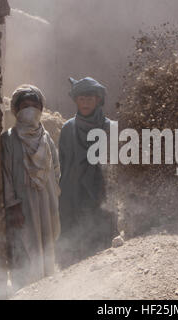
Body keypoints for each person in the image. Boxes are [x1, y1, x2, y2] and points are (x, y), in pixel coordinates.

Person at [1, 84, 61, 291]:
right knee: (23, 245)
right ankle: (25, 290)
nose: (30, 109)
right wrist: (13, 205)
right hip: (22, 204)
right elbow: (5, 175)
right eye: (25, 105)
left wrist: (53, 195)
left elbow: (56, 170)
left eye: (35, 106)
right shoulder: (8, 139)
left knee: (46, 243)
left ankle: (46, 289)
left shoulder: (46, 139)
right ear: (16, 110)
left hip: (46, 200)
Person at [58, 77, 116, 267]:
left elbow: (116, 166)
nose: (85, 102)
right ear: (75, 100)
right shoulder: (67, 129)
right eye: (81, 98)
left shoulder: (111, 128)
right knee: (74, 248)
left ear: (98, 100)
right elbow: (63, 165)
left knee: (101, 247)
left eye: (90, 98)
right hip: (73, 195)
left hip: (101, 195)